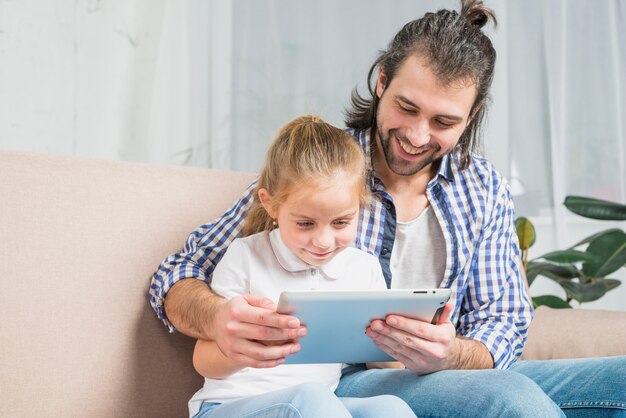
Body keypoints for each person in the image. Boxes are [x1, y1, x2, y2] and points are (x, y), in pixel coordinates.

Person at [150, 1, 626, 416]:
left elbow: (503, 322)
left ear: (473, 114)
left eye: (443, 121)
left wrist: (450, 353)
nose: (418, 136)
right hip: (342, 382)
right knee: (510, 401)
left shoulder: (483, 188)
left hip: (442, 374)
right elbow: (178, 272)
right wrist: (219, 320)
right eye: (407, 107)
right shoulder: (323, 170)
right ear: (381, 81)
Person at [187, 115, 416, 418]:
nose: (323, 241)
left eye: (341, 222)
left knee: (390, 409)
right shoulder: (245, 257)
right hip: (228, 407)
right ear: (270, 205)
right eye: (306, 223)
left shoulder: (363, 268)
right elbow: (203, 360)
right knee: (310, 398)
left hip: (316, 406)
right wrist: (244, 350)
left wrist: (397, 342)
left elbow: (380, 362)